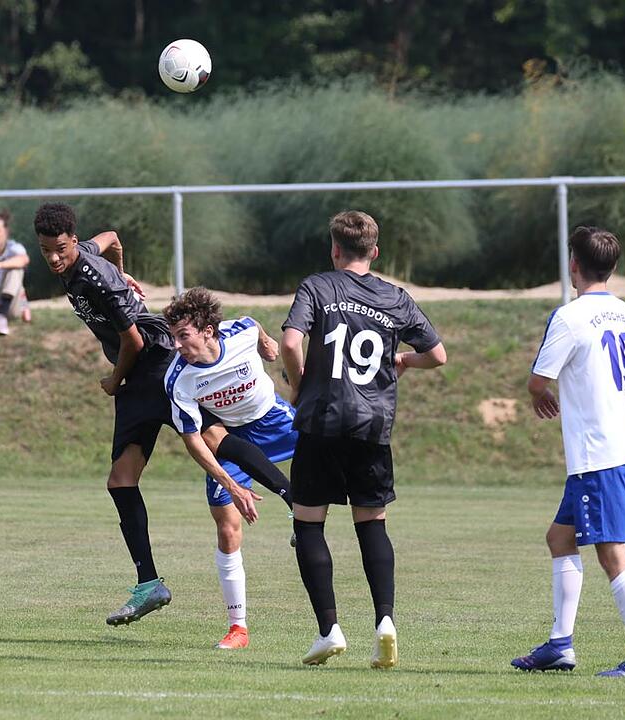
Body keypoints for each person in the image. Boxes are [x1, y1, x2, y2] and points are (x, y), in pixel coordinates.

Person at [33, 202, 257, 627]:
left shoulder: (91, 277)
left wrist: (114, 381)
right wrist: (123, 271)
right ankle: (149, 584)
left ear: (73, 242)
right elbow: (113, 236)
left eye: (60, 249)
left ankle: (294, 503)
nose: (54, 258)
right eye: (46, 250)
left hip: (151, 364)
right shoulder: (90, 257)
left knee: (213, 440)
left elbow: (132, 341)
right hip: (137, 375)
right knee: (120, 480)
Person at [281, 210, 446, 668]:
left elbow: (292, 344)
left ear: (334, 249)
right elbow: (437, 354)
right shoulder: (395, 297)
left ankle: (329, 630)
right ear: (374, 252)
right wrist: (406, 363)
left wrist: (298, 385)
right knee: (372, 524)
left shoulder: (318, 286)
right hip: (372, 426)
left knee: (308, 524)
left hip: (321, 421)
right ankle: (385, 623)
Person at [511, 226, 625, 679]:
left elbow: (539, 380)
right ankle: (560, 644)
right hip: (616, 450)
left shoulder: (570, 317)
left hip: (598, 455)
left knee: (613, 552)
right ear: (613, 268)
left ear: (573, 265)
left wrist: (538, 394)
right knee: (560, 538)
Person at [163, 287, 297, 650]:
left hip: (271, 418)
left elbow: (255, 327)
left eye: (183, 336)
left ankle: (301, 520)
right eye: (173, 337)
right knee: (227, 529)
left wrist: (268, 344)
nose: (176, 345)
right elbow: (194, 440)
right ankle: (238, 628)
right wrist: (231, 484)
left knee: (325, 448)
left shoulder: (240, 333)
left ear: (208, 330)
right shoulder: (179, 380)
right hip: (226, 439)